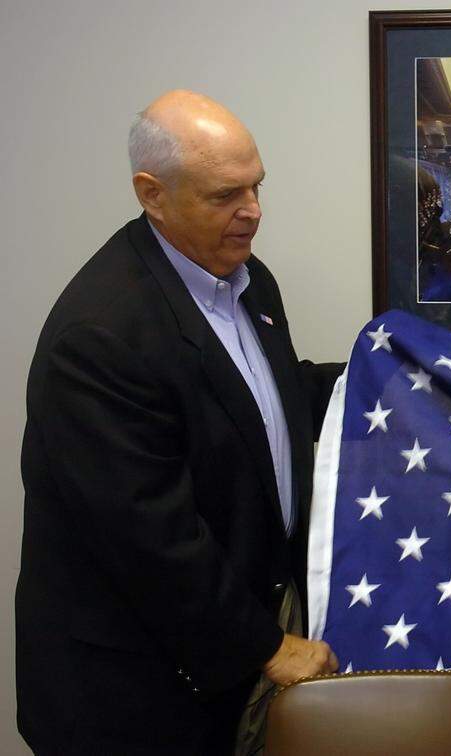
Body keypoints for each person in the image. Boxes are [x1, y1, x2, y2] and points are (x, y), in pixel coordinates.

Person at [16, 90, 340, 755]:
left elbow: (269, 401)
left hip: (231, 649)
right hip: (138, 692)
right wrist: (267, 644)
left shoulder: (245, 278)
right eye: (226, 195)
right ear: (152, 193)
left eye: (256, 186)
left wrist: (384, 376)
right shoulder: (101, 336)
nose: (253, 212)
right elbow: (149, 538)